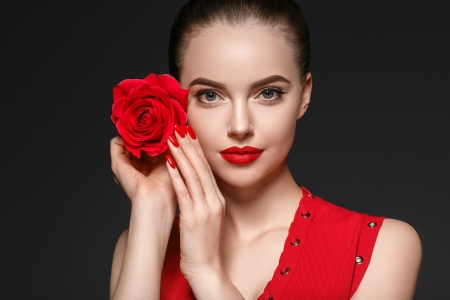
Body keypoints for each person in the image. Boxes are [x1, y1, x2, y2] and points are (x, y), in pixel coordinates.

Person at [109, 0, 422, 299]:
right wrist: (151, 209)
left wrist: (206, 273)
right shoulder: (141, 242)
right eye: (210, 96)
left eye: (268, 93)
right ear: (178, 102)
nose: (241, 125)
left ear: (304, 94)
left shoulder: (381, 248)